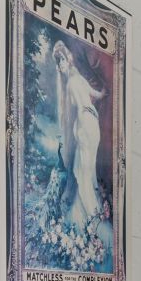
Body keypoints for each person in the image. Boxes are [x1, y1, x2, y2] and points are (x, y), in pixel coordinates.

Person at [51, 39, 105, 226]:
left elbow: (69, 113)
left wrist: (69, 130)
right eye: (59, 63)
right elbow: (97, 94)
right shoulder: (80, 78)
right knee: (88, 167)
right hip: (93, 122)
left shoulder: (69, 85)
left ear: (67, 60)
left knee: (82, 168)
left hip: (84, 124)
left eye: (61, 61)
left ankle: (86, 212)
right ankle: (93, 210)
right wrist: (102, 92)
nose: (61, 66)